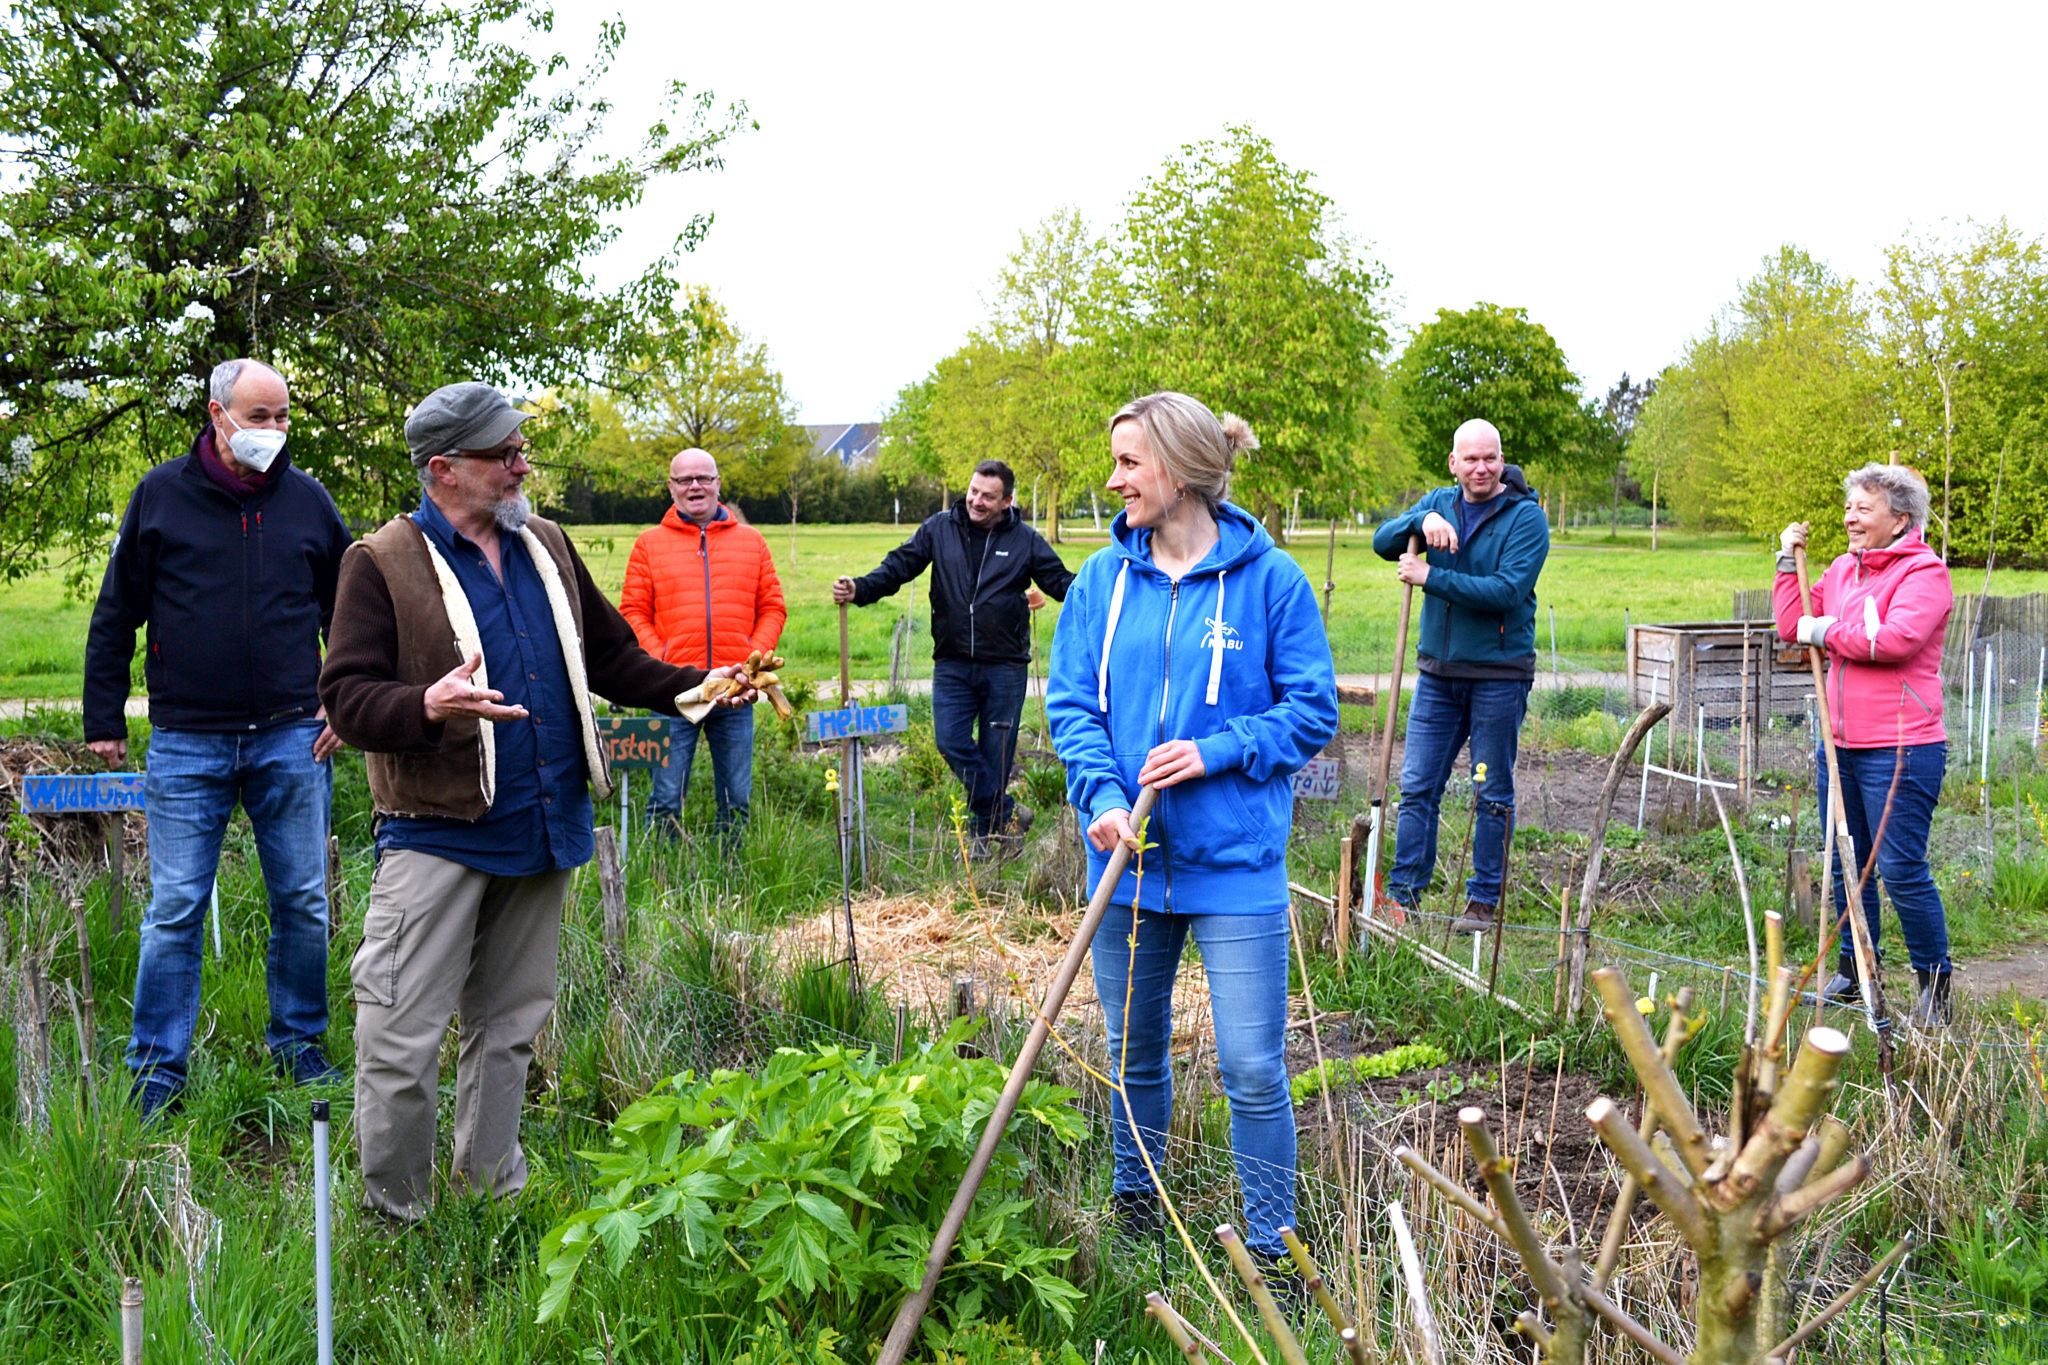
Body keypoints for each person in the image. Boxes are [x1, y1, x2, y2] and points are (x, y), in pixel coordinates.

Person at [319, 382, 754, 1220]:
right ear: (443, 469)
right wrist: (425, 706)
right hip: (436, 834)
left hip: (541, 821)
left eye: (520, 447)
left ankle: (489, 1199)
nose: (521, 464)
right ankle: (398, 1217)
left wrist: (695, 689)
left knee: (509, 1029)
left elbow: (614, 659)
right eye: (502, 454)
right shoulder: (380, 561)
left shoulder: (544, 543)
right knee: (402, 1041)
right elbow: (346, 698)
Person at [1046, 392, 1338, 1269]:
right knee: (1133, 1056)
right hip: (1127, 866)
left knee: (1252, 1067)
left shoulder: (1271, 580)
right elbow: (1072, 706)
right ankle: (1138, 1210)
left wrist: (1218, 750)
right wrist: (1098, 797)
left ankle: (1273, 1249)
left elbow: (1311, 709)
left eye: (1129, 462)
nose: (1114, 479)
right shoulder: (1101, 581)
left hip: (1236, 863)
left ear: (1177, 465)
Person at [83, 357, 353, 1120]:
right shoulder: (160, 497)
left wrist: (345, 698)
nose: (273, 431)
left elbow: (352, 611)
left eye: (283, 417)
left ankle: (300, 1045)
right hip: (187, 741)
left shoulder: (308, 502)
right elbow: (115, 613)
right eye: (258, 416)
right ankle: (157, 1072)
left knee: (302, 900)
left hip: (293, 737)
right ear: (216, 413)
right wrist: (103, 718)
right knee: (174, 907)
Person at [1775, 463, 1955, 1026]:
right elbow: (1791, 623)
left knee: (1899, 866)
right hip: (1841, 744)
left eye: (1864, 508)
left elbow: (1895, 641)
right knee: (1846, 867)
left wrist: (1824, 631)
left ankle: (1934, 985)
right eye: (1849, 506)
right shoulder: (1841, 571)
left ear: (1900, 518)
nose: (1850, 517)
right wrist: (1787, 561)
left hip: (1902, 746)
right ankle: (1856, 972)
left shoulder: (1924, 574)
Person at [832, 459, 1073, 854]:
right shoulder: (939, 529)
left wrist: (1100, 588)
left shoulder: (1026, 541)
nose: (976, 501)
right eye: (974, 491)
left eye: (988, 496)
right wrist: (860, 588)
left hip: (1006, 665)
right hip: (952, 662)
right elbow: (899, 566)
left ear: (1007, 501)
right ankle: (1008, 814)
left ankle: (987, 838)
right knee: (951, 741)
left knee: (996, 756)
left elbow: (1060, 583)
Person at [1372, 418, 1549, 933]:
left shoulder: (1525, 518)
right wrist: (1421, 519)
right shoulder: (1440, 501)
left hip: (1499, 674)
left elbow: (1505, 591)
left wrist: (1431, 576)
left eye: (1490, 458)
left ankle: (1482, 902)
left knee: (1491, 792)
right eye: (1470, 459)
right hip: (1437, 675)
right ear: (1453, 463)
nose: (1481, 468)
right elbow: (1384, 541)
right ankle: (1404, 897)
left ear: (1502, 459)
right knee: (1418, 785)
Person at [620, 447, 786, 842]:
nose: (695, 486)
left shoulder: (752, 541)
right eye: (684, 479)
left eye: (703, 478)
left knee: (738, 798)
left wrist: (753, 661)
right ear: (671, 488)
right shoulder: (649, 544)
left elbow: (773, 608)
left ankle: (733, 876)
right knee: (664, 798)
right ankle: (660, 877)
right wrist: (662, 664)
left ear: (718, 484)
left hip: (735, 689)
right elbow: (633, 612)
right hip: (676, 690)